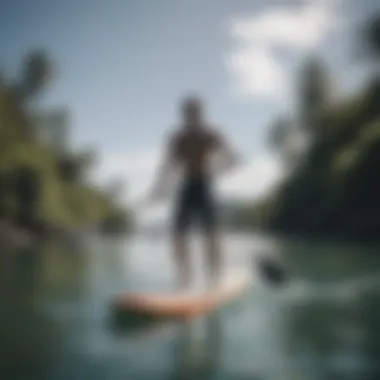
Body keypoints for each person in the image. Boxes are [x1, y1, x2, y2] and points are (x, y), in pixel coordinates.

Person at [148, 95, 239, 290]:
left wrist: (217, 167)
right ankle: (184, 278)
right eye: (188, 113)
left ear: (201, 114)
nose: (191, 116)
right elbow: (166, 168)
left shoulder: (210, 135)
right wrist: (156, 194)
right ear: (183, 115)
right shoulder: (177, 139)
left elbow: (231, 156)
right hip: (187, 185)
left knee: (212, 232)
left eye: (195, 112)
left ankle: (215, 276)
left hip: (205, 184)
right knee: (178, 233)